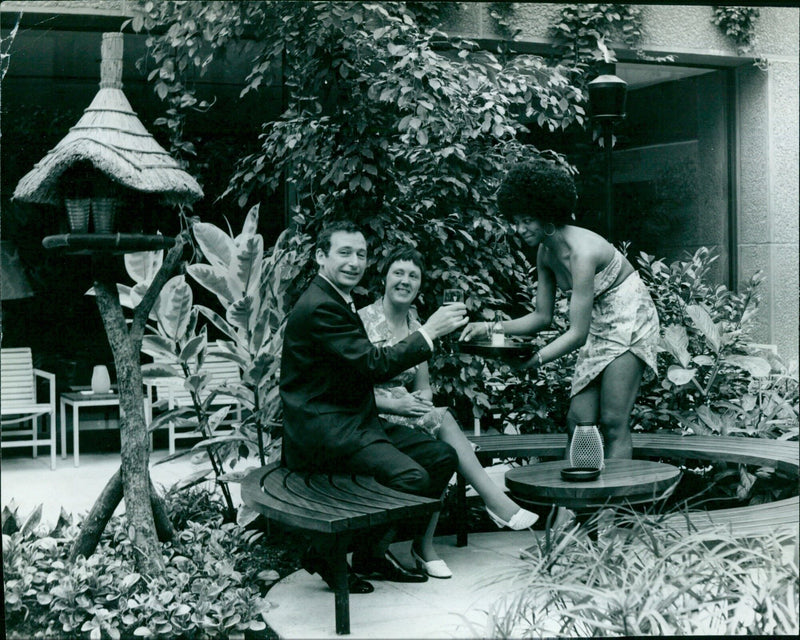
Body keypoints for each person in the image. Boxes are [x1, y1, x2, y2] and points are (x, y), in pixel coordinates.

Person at [280, 220, 468, 594]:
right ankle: (325, 551)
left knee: (442, 457)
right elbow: (372, 365)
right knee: (411, 477)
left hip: (355, 421)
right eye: (344, 252)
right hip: (326, 432)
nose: (354, 262)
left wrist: (402, 402)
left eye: (361, 254)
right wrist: (428, 332)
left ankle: (372, 553)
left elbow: (355, 370)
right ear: (321, 256)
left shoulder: (335, 297)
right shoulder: (321, 306)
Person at [460, 158, 660, 461]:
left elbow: (577, 335)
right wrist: (490, 328)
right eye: (516, 221)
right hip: (597, 325)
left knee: (613, 422)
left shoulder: (583, 253)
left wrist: (535, 360)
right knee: (577, 421)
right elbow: (542, 317)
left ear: (546, 215)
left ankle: (615, 508)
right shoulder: (545, 252)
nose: (519, 229)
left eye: (527, 220)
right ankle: (575, 503)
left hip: (631, 320)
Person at [359, 247, 538, 579]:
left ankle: (428, 544)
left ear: (420, 285)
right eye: (398, 273)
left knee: (442, 441)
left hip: (405, 418)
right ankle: (488, 507)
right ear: (384, 277)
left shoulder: (417, 324)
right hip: (370, 419)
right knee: (444, 425)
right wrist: (397, 403)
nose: (404, 280)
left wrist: (419, 403)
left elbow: (423, 386)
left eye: (413, 276)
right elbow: (351, 390)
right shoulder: (363, 321)